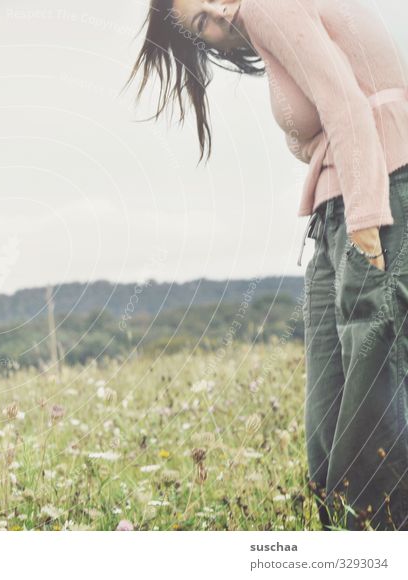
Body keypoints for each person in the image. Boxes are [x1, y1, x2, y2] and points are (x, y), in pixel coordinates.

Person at [127, 0, 408, 530]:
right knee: (328, 393)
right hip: (336, 207)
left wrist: (368, 212)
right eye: (199, 23)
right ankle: (336, 530)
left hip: (377, 191)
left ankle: (374, 539)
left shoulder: (266, 5)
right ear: (204, 45)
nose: (215, 13)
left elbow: (347, 104)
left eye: (207, 3)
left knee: (374, 367)